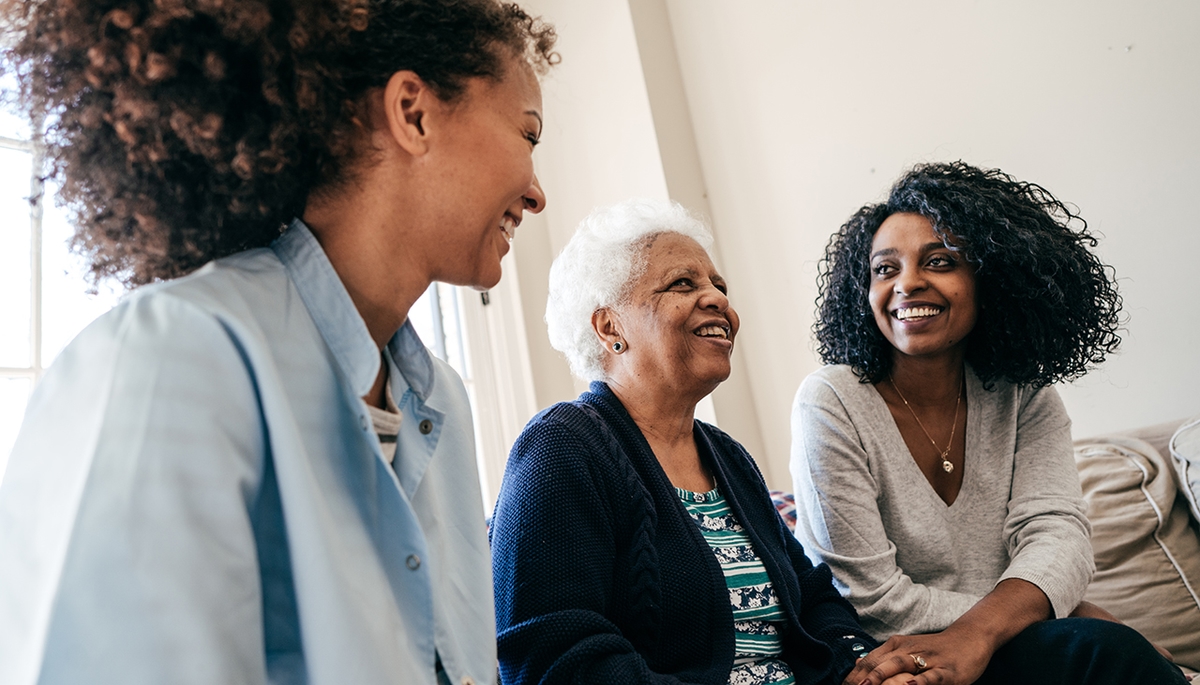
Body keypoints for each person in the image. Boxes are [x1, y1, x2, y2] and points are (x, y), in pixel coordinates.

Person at [0, 1, 555, 683]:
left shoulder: (443, 405)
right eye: (527, 134)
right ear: (413, 112)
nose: (537, 193)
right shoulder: (170, 358)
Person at [790, 161, 1186, 685]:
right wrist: (1060, 612)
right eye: (885, 269)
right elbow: (867, 596)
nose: (907, 283)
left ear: (991, 280)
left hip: (1011, 639)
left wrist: (985, 632)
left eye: (939, 261)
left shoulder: (1027, 397)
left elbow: (1058, 538)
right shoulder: (832, 400)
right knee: (1103, 648)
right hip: (887, 656)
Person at [491, 199, 878, 685]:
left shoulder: (727, 456)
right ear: (609, 326)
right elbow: (553, 659)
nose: (718, 299)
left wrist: (862, 664)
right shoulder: (563, 447)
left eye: (719, 286)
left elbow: (815, 597)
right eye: (683, 283)